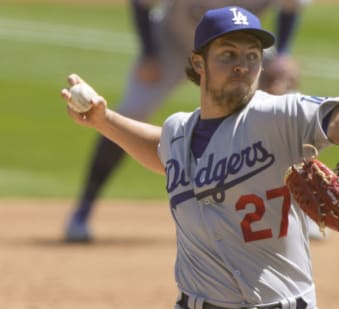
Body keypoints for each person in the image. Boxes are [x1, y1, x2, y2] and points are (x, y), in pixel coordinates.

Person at [61, 6, 339, 309]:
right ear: (199, 63)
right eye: (227, 54)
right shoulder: (178, 131)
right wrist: (104, 121)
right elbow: (164, 152)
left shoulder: (281, 114)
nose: (243, 64)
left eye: (253, 55)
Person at [65, 0, 305, 242]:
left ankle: (298, 209)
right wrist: (149, 53)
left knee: (286, 107)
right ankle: (83, 210)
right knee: (131, 112)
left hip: (236, 54)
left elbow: (291, 7)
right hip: (170, 45)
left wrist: (282, 54)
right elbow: (142, 3)